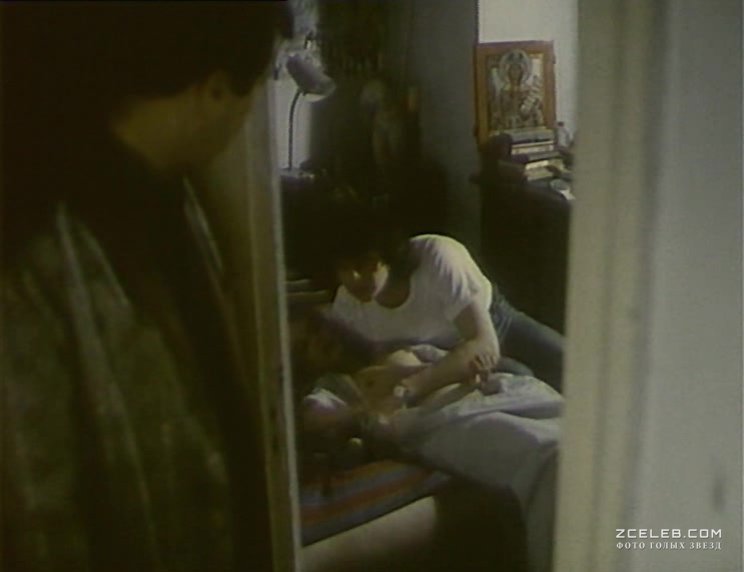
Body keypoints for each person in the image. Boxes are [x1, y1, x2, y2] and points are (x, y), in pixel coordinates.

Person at [2, 4, 291, 571]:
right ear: (213, 91)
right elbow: (36, 513)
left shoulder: (178, 204)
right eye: (256, 87)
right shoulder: (39, 245)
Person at [317, 199, 564, 405]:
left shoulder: (438, 256)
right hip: (437, 358)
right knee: (522, 379)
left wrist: (411, 385)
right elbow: (375, 370)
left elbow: (483, 343)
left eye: (364, 265)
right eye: (343, 268)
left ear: (389, 256)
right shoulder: (347, 307)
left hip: (494, 325)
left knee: (568, 362)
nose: (353, 279)